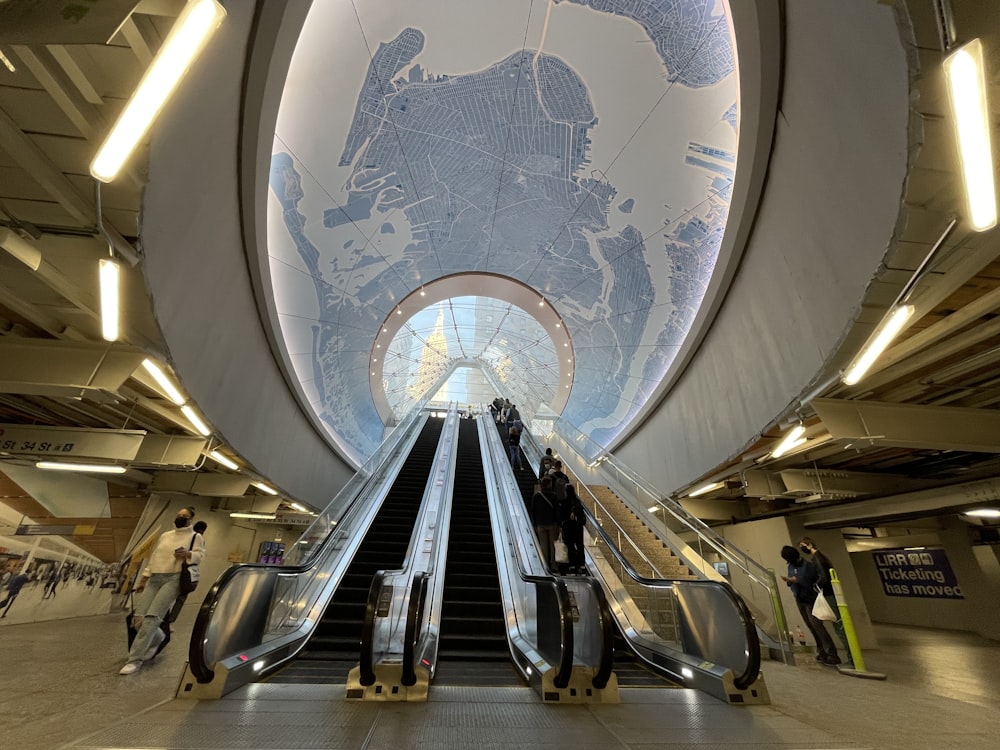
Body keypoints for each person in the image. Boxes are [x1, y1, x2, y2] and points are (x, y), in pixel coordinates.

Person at [119, 507, 205, 675]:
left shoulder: (195, 536)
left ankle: (135, 660)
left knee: (152, 618)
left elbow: (200, 555)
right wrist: (144, 578)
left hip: (174, 578)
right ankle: (159, 638)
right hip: (155, 578)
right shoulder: (166, 535)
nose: (180, 517)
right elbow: (154, 557)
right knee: (138, 618)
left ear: (190, 519)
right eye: (178, 515)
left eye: (184, 516)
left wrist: (187, 554)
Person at [780, 545, 840, 666]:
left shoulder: (807, 565)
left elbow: (809, 580)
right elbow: (793, 579)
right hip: (800, 598)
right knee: (811, 627)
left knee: (818, 627)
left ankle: (832, 654)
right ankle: (821, 652)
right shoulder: (791, 566)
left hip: (811, 599)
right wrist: (789, 581)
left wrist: (795, 580)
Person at [799, 536, 852, 666]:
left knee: (840, 628)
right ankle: (851, 658)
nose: (802, 548)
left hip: (829, 595)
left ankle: (852, 659)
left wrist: (815, 586)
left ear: (809, 545)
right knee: (839, 627)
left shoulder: (818, 559)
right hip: (830, 594)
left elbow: (824, 577)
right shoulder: (820, 557)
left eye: (802, 545)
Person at [167, 521, 207, 623]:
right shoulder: (200, 539)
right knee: (181, 597)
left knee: (168, 595)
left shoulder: (187, 537)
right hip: (188, 571)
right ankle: (170, 620)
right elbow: (199, 557)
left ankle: (163, 617)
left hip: (177, 568)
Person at [530, 476, 561, 571]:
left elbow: (533, 511)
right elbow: (557, 511)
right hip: (552, 524)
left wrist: (534, 523)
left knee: (543, 546)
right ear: (548, 484)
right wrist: (559, 524)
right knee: (553, 546)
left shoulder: (536, 496)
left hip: (540, 524)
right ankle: (554, 567)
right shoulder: (554, 496)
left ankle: (545, 566)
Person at [561, 484, 587, 574]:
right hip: (579, 527)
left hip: (569, 527)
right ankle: (582, 566)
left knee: (570, 546)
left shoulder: (564, 502)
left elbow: (562, 516)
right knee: (580, 545)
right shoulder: (578, 501)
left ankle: (572, 565)